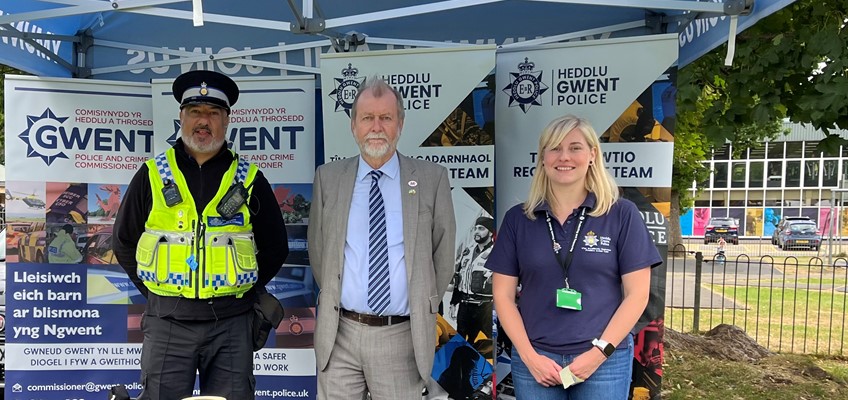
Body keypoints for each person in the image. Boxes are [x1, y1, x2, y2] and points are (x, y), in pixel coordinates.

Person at [113, 70, 289, 400]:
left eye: (213, 113)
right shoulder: (152, 174)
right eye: (195, 112)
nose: (203, 121)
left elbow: (276, 247)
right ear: (182, 117)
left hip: (231, 325)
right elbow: (123, 241)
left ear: (227, 120)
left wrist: (241, 292)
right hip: (168, 322)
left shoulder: (249, 178)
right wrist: (155, 292)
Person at [486, 115, 661, 399]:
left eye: (575, 147)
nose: (563, 157)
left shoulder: (621, 214)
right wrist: (529, 357)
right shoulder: (518, 219)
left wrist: (599, 353)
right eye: (554, 148)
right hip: (536, 360)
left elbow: (637, 295)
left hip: (605, 361)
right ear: (542, 157)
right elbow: (503, 296)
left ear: (592, 154)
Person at [308, 77, 456, 400]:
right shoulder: (328, 179)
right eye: (367, 118)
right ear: (353, 126)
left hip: (401, 337)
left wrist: (420, 300)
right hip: (340, 336)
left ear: (400, 124)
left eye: (386, 118)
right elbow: (319, 252)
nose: (376, 127)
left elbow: (443, 258)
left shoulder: (431, 179)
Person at [450, 216, 494, 344]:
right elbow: (459, 278)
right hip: (464, 306)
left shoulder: (497, 252)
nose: (476, 231)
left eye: (481, 228)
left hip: (485, 307)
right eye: (475, 228)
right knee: (461, 342)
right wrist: (453, 302)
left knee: (486, 343)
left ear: (490, 232)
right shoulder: (467, 252)